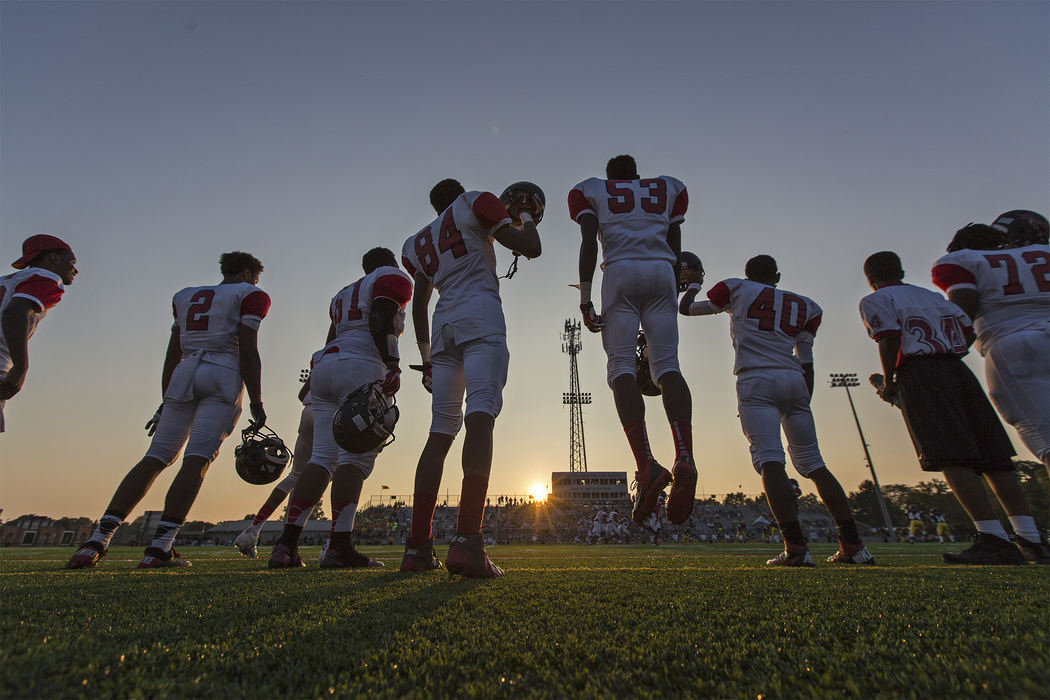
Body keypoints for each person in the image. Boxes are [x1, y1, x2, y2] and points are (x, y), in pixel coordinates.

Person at [68, 252, 269, 569]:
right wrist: (256, 400)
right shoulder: (251, 294)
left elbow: (172, 353)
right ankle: (159, 546)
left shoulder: (185, 296)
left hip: (184, 373)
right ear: (247, 273)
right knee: (196, 460)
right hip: (222, 372)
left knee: (155, 456)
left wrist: (166, 399)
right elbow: (247, 350)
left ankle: (96, 540)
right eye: (255, 277)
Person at [681, 255, 873, 566]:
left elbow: (687, 308)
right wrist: (802, 399)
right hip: (794, 378)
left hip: (756, 378)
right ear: (778, 276)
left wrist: (692, 285)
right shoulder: (807, 306)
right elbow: (806, 359)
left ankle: (796, 548)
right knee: (815, 463)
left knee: (770, 461)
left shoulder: (736, 288)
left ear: (747, 274)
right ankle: (853, 544)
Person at [859, 251, 1047, 565]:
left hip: (921, 372)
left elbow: (889, 337)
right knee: (994, 457)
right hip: (957, 369)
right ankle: (1030, 537)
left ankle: (993, 537)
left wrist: (890, 380)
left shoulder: (876, 299)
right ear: (902, 269)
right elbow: (967, 328)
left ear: (871, 279)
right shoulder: (933, 297)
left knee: (950, 454)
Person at [400, 178, 542, 578]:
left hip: (443, 325)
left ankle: (417, 548)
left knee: (440, 431)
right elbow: (531, 247)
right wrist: (526, 216)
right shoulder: (475, 202)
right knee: (480, 416)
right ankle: (466, 540)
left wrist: (425, 356)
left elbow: (420, 302)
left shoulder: (416, 242)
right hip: (479, 313)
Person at [568, 155, 696, 528]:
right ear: (637, 175)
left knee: (621, 368)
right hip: (661, 272)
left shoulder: (590, 191)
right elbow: (675, 242)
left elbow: (589, 240)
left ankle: (646, 464)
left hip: (620, 271)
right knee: (668, 367)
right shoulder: (667, 188)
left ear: (609, 178)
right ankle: (684, 455)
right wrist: (670, 287)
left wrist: (585, 296)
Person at [267, 247, 412, 569]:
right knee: (355, 458)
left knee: (321, 458)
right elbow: (381, 317)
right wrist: (393, 363)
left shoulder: (343, 294)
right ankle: (339, 545)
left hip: (328, 364)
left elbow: (332, 335)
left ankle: (285, 545)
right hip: (361, 364)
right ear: (389, 264)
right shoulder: (392, 278)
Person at [931, 214, 1050, 474]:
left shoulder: (965, 259)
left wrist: (945, 354)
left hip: (1015, 344)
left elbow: (965, 308)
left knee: (1045, 438)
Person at [234, 352, 322, 559]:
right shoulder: (360, 345)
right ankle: (334, 544)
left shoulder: (320, 355)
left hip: (308, 412)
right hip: (329, 413)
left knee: (297, 476)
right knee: (335, 470)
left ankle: (253, 530)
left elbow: (303, 395)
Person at [1, 234, 78, 433]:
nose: (75, 270)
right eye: (72, 261)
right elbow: (14, 312)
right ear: (53, 258)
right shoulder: (48, 278)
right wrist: (21, 365)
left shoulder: (7, 280)